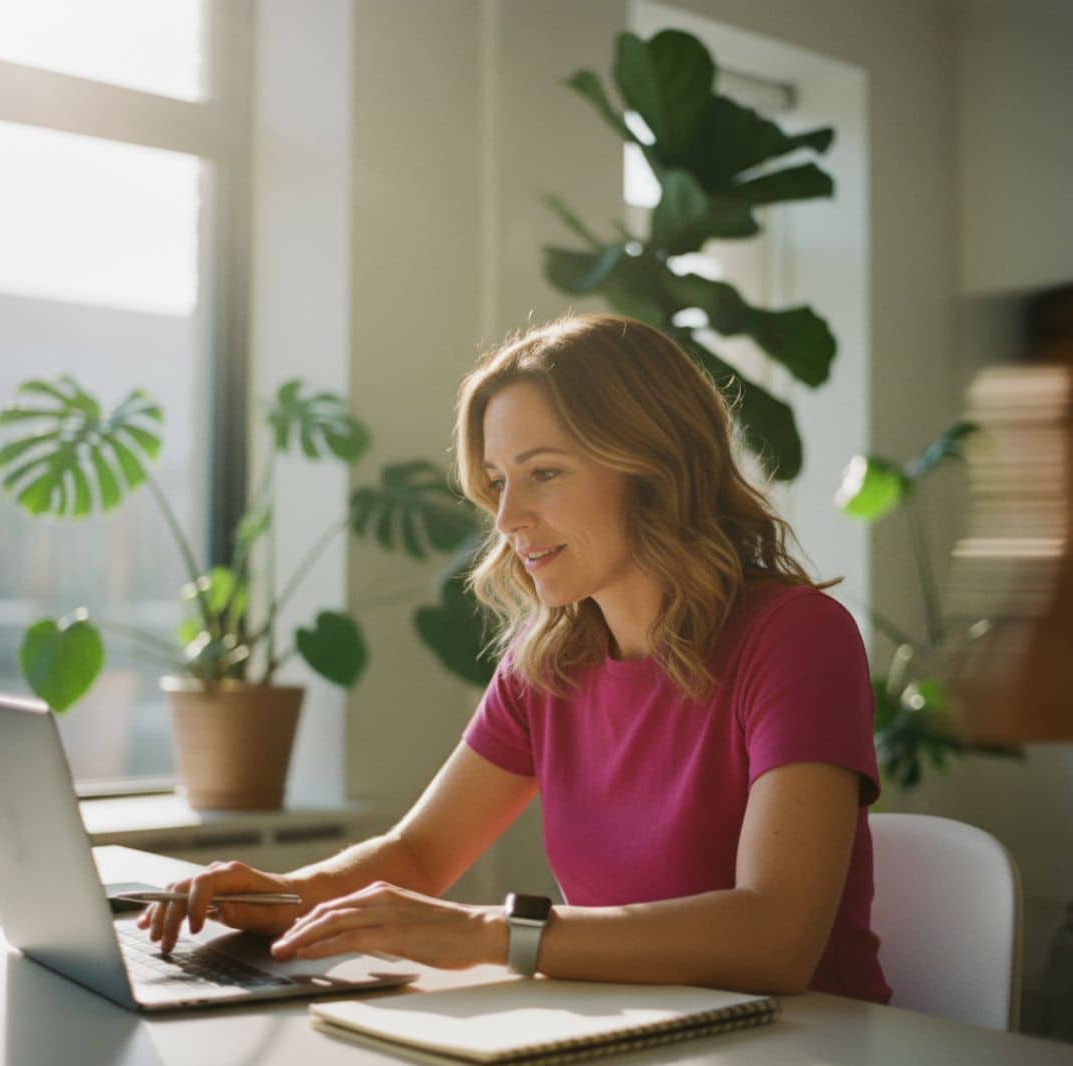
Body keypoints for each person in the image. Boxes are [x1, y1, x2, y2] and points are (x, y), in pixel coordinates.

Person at [141, 314, 891, 1002]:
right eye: (498, 482)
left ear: (655, 469)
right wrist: (279, 896)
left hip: (804, 1050)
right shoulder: (549, 664)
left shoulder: (795, 637)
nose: (507, 518)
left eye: (546, 473)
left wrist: (486, 936)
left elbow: (777, 941)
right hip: (631, 1037)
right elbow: (418, 853)